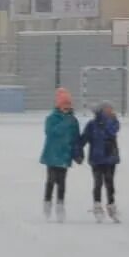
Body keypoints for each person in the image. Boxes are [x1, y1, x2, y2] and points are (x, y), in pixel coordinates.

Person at [40, 88, 82, 222]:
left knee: (62, 182)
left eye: (69, 104)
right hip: (52, 155)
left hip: (65, 155)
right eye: (64, 104)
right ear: (59, 105)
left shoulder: (73, 121)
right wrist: (65, 123)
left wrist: (78, 153)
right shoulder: (51, 118)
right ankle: (47, 203)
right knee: (51, 180)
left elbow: (76, 139)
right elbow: (50, 132)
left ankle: (60, 205)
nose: (67, 107)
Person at [79, 101, 121, 223]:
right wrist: (77, 151)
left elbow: (112, 131)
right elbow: (83, 139)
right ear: (102, 111)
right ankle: (97, 206)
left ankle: (111, 205)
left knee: (110, 183)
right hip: (96, 159)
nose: (111, 111)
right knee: (98, 183)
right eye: (108, 109)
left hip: (110, 159)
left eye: (111, 109)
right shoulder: (92, 125)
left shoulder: (113, 122)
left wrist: (106, 120)